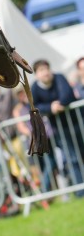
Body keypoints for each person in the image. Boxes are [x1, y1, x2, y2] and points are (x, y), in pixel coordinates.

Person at [31, 59, 84, 197]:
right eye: (41, 70)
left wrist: (58, 104)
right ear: (36, 74)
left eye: (46, 69)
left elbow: (67, 94)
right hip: (60, 129)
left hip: (78, 122)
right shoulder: (35, 88)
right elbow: (35, 107)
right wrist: (50, 107)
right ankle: (80, 191)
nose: (45, 73)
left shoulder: (59, 77)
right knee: (72, 158)